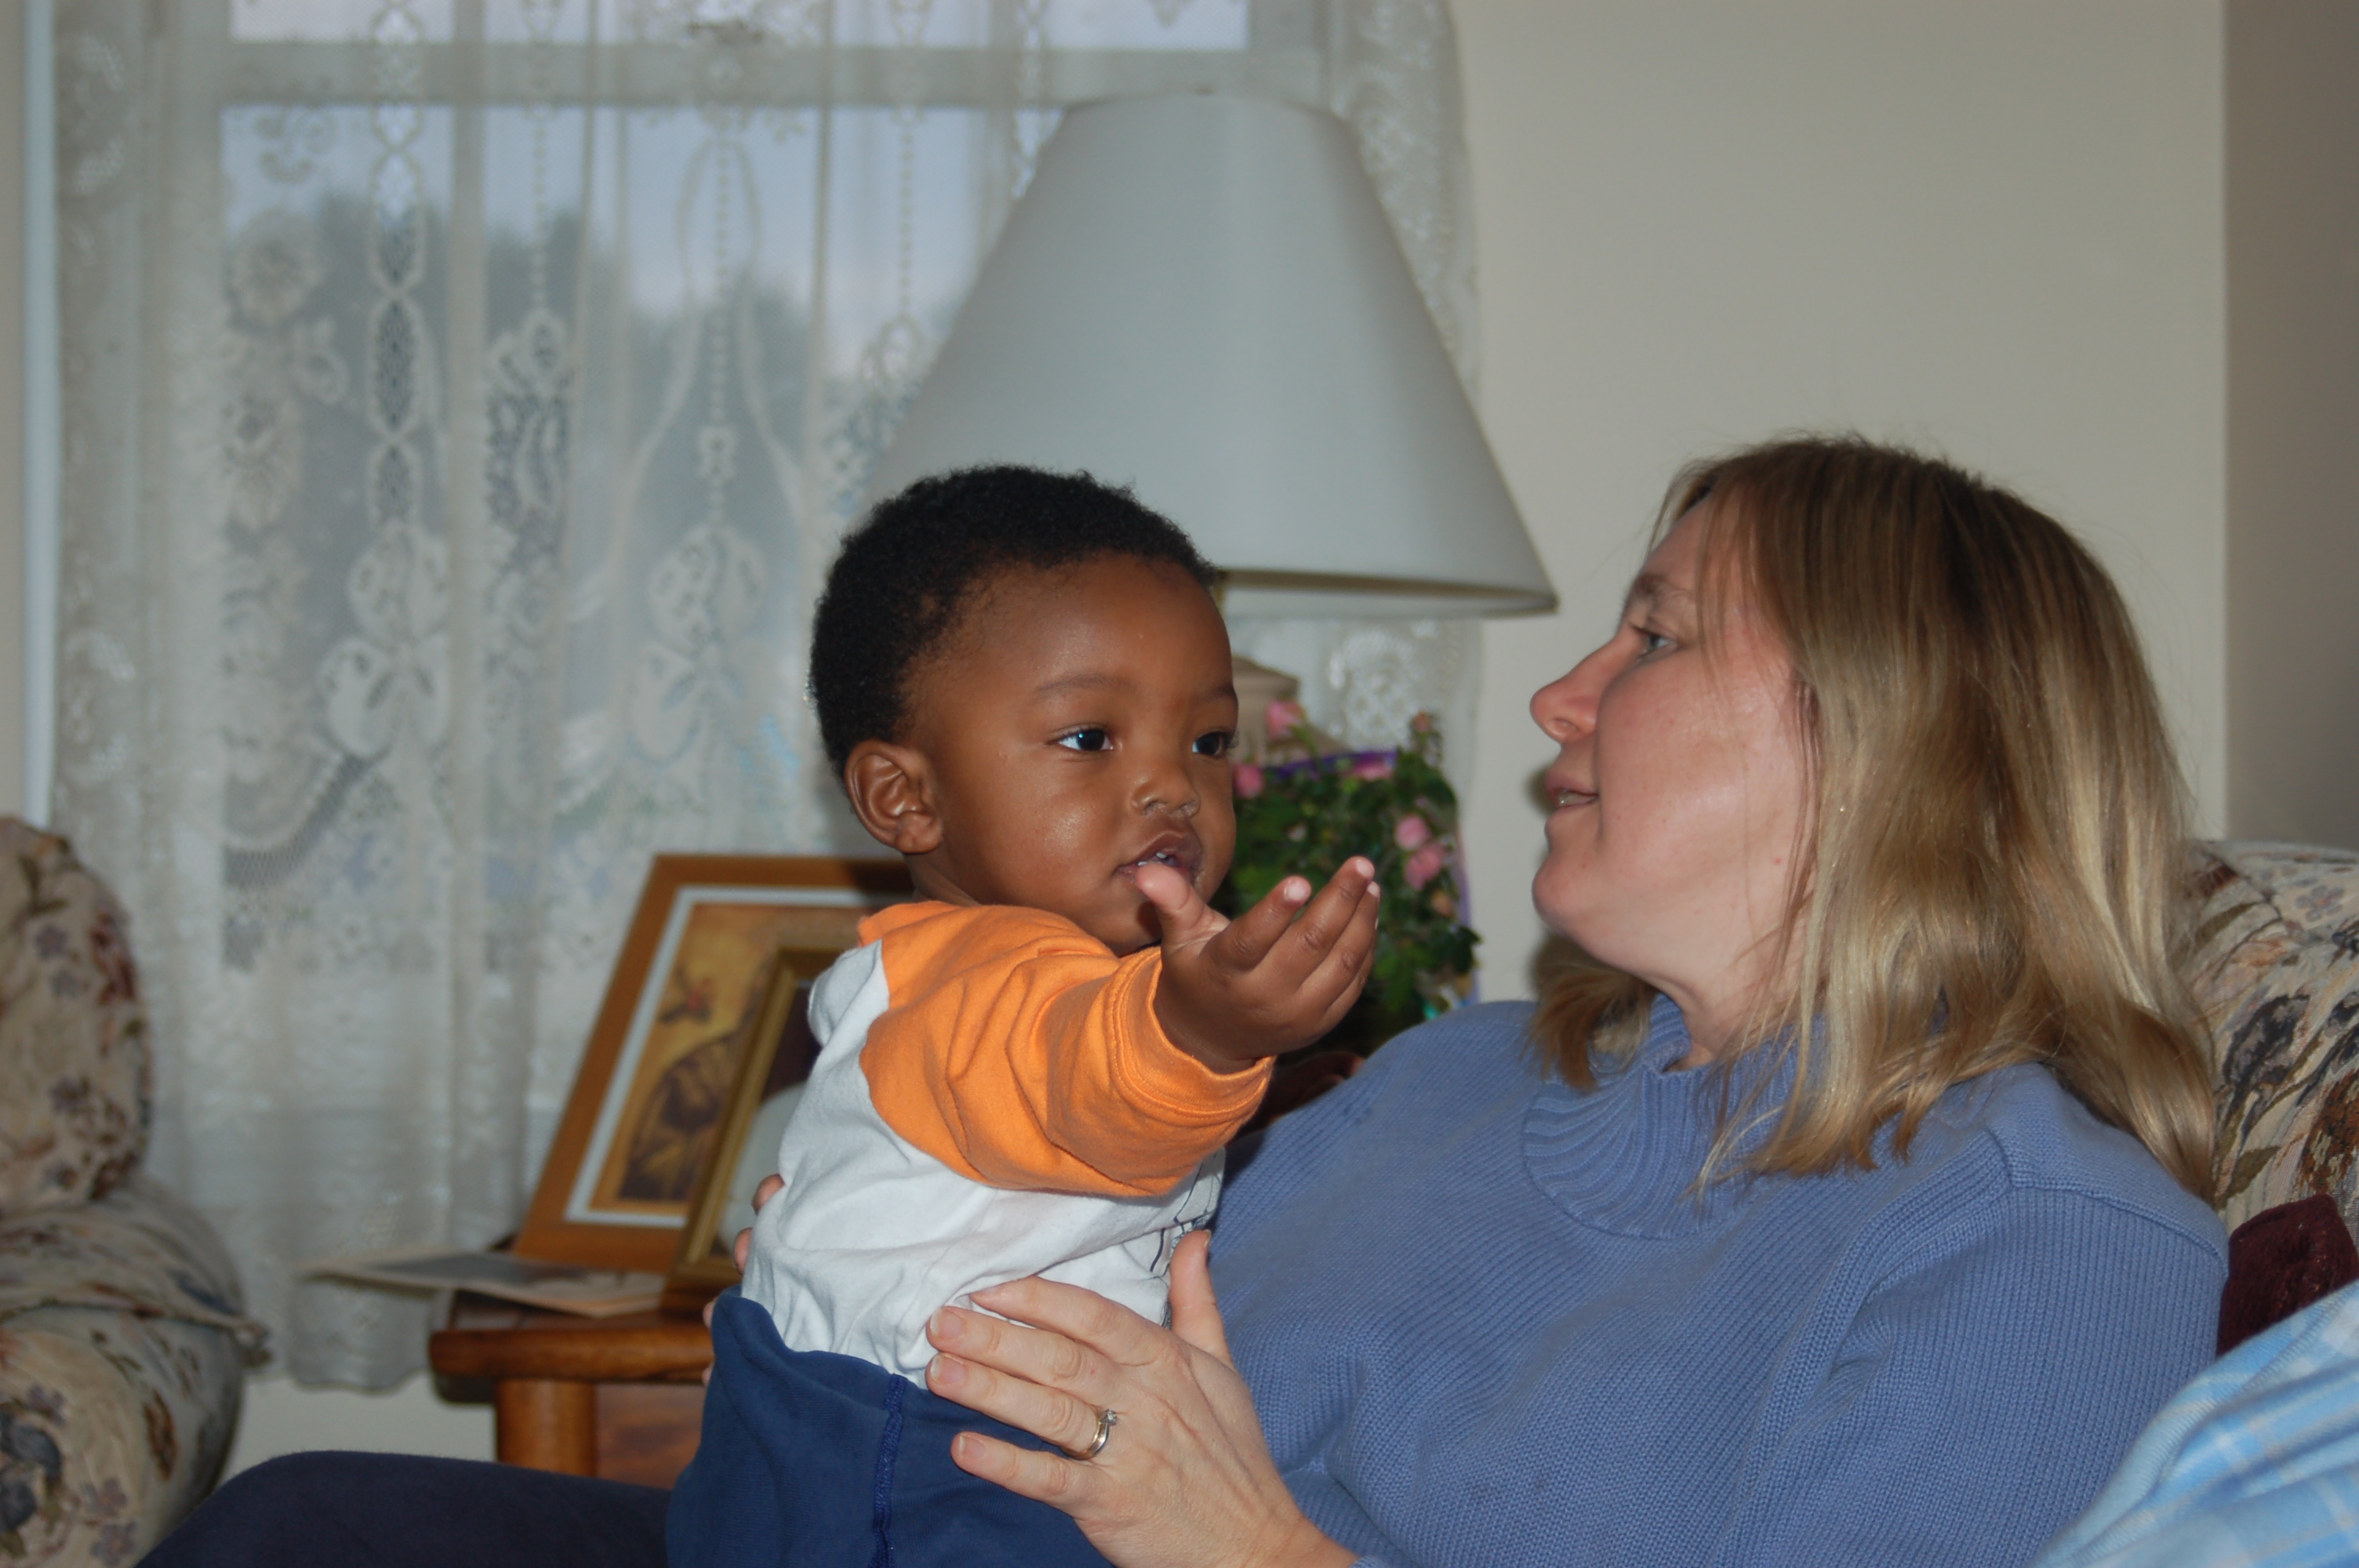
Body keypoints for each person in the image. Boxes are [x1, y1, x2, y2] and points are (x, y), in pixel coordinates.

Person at [139, 435, 2228, 1568]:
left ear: (1893, 737)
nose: (1563, 698)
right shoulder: (1453, 1073)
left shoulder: (2035, 1238)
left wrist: (1255, 1557)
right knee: (305, 1525)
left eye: (1658, 639)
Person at [670, 466, 1381, 1567]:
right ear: (906, 797)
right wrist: (1204, 1033)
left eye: (1209, 741)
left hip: (921, 1428)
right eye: (1090, 738)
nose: (1171, 786)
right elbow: (1083, 1072)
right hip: (918, 1456)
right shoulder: (977, 982)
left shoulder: (1033, 973)